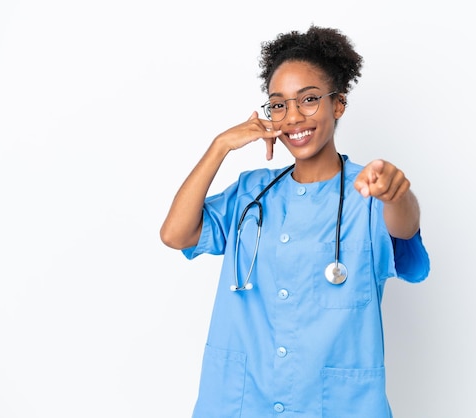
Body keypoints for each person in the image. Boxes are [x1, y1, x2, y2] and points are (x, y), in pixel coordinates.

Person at [160, 25, 430, 418]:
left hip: (335, 407)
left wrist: (397, 192)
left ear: (338, 104)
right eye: (279, 104)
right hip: (241, 402)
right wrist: (221, 145)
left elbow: (403, 228)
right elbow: (175, 234)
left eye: (308, 100)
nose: (293, 117)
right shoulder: (251, 192)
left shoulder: (366, 191)